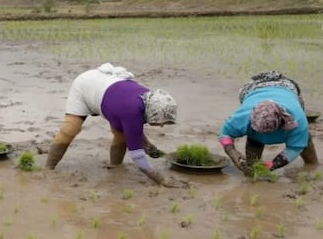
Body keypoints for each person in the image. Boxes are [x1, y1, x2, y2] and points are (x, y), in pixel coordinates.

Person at [45, 63, 185, 188]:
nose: (161, 126)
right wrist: (161, 179)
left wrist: (152, 149)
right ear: (153, 112)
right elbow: (137, 155)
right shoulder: (132, 112)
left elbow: (132, 131)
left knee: (121, 134)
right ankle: (48, 168)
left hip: (110, 95)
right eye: (161, 121)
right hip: (86, 86)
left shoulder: (150, 100)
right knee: (70, 128)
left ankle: (115, 166)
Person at [219, 71, 317, 177]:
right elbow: (225, 133)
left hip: (286, 88)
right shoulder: (243, 116)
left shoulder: (297, 119)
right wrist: (232, 151)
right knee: (254, 142)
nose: (264, 135)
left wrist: (274, 164)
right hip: (254, 88)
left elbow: (295, 148)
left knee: (303, 138)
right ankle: (251, 169)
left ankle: (312, 164)